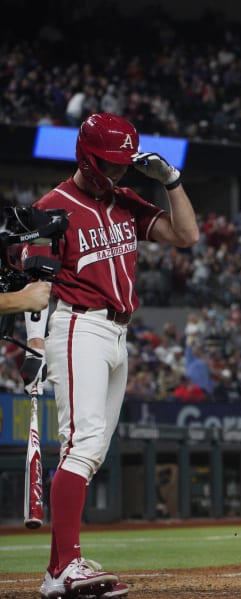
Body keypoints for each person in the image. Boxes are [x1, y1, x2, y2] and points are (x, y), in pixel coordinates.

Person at [22, 112, 199, 599]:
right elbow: (29, 281)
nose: (119, 171)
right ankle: (66, 566)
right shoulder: (51, 207)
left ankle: (59, 571)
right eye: (111, 163)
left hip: (117, 332)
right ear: (86, 155)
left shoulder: (125, 200)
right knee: (83, 443)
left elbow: (186, 236)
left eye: (124, 163)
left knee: (90, 451)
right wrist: (35, 341)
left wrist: (173, 183)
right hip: (77, 323)